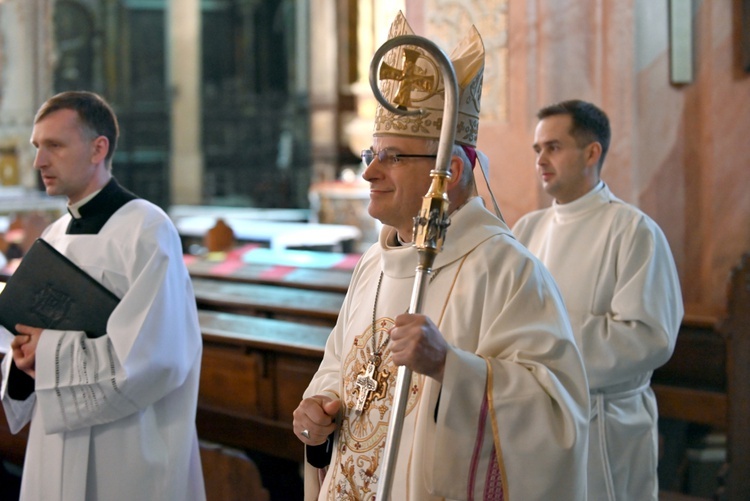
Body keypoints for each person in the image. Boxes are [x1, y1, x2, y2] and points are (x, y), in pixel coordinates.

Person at [293, 13, 590, 500]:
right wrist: (317, 410)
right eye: (372, 155)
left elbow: (556, 414)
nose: (370, 174)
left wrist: (450, 366)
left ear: (448, 172)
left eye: (392, 157)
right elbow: (339, 368)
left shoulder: (505, 270)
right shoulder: (374, 263)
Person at [0, 91, 206, 500]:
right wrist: (23, 360)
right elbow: (21, 347)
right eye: (37, 147)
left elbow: (157, 358)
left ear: (98, 148)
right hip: (53, 444)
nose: (40, 161)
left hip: (125, 450)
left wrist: (50, 351)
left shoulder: (146, 228)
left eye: (55, 145)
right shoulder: (53, 235)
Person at [513, 99, 684, 500]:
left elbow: (648, 337)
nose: (541, 159)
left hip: (605, 422)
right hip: (536, 419)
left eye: (553, 147)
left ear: (592, 152)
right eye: (537, 149)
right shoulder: (525, 230)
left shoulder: (633, 230)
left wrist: (543, 345)